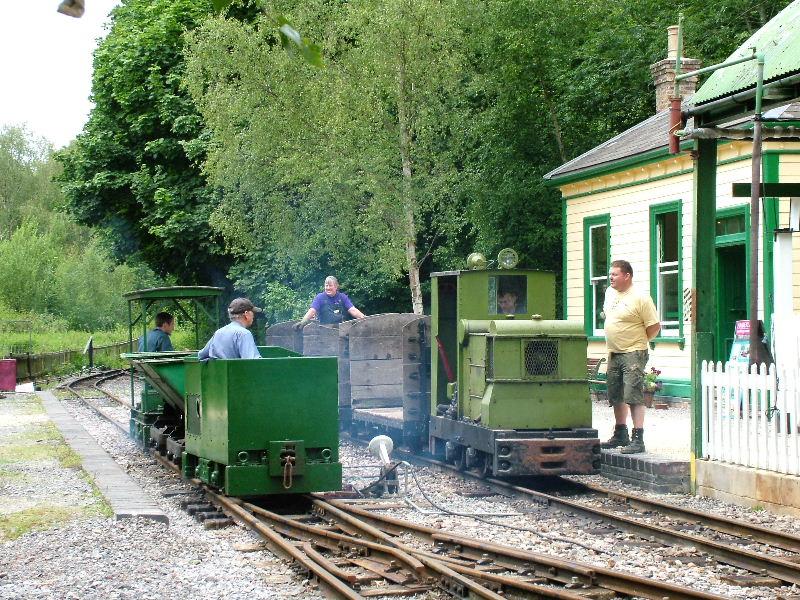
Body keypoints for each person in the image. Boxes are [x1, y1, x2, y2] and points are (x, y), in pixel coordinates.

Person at [600, 260, 661, 454]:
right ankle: (621, 433)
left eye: (615, 274)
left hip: (633, 351)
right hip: (614, 351)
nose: (611, 277)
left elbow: (653, 327)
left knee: (633, 394)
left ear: (627, 276)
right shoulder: (610, 293)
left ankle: (638, 438)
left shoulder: (640, 297)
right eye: (610, 274)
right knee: (615, 393)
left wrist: (638, 343)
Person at [198, 298, 263, 360]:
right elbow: (253, 362)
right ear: (246, 314)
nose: (253, 316)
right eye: (252, 312)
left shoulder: (218, 332)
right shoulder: (244, 334)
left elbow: (201, 355)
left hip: (218, 371)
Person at [295, 276, 366, 328]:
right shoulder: (320, 297)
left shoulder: (343, 297)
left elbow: (353, 310)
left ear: (336, 287)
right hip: (324, 330)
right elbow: (312, 311)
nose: (328, 288)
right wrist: (303, 321)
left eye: (330, 286)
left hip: (340, 330)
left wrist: (366, 319)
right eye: (326, 285)